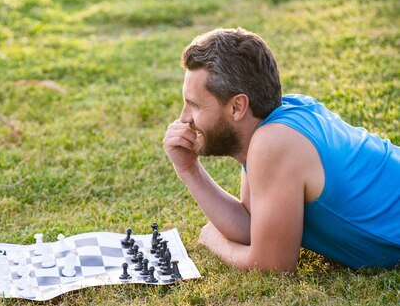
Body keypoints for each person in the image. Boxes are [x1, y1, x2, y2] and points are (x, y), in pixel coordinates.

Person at [163, 27, 400, 272]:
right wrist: (189, 169)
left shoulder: (274, 142)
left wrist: (215, 242)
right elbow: (251, 225)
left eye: (195, 105)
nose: (184, 117)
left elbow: (273, 265)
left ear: (237, 107)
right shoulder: (276, 122)